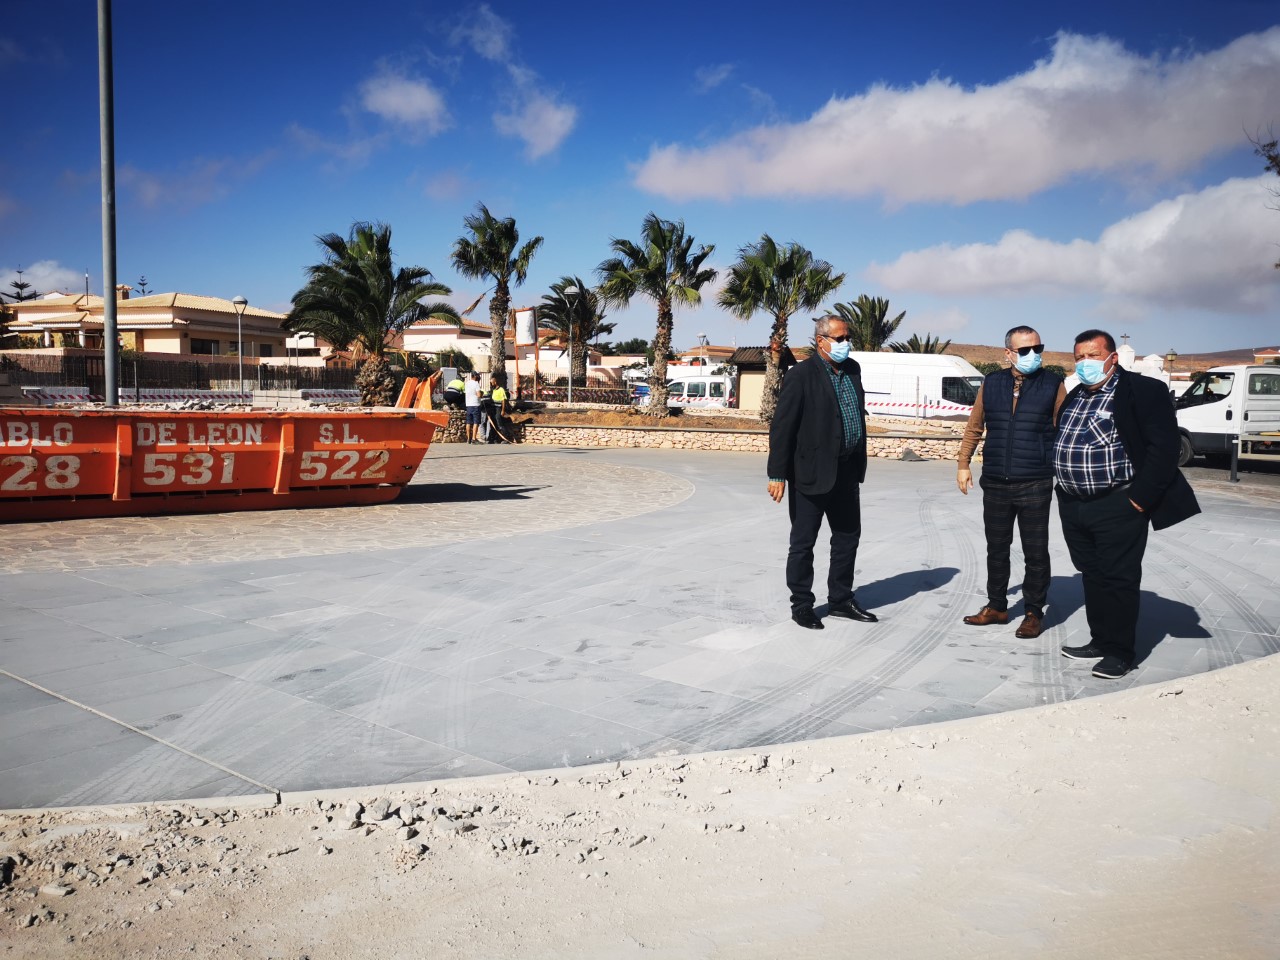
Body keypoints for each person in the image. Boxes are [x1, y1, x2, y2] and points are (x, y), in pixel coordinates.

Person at [1052, 329, 1201, 679]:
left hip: (1119, 503)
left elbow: (1164, 449)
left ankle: (1120, 651)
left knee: (1118, 577)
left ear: (1112, 357)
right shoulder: (1076, 395)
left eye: (1091, 355)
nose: (1084, 363)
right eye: (1078, 357)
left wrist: (1140, 499)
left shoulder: (1142, 390)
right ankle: (1100, 640)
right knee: (1093, 574)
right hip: (1074, 503)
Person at [956, 326, 1066, 639]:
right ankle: (997, 606)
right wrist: (963, 464)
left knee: (1035, 551)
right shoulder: (991, 383)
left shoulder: (1053, 384)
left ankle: (1033, 611)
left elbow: (1066, 430)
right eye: (1025, 350)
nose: (1033, 355)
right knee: (997, 548)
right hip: (995, 482)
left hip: (1034, 481)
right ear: (1008, 354)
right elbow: (974, 426)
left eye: (1037, 348)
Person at [767, 315, 876, 630]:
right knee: (803, 544)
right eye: (839, 338)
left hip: (846, 470)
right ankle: (801, 605)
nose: (845, 343)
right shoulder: (801, 375)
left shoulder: (852, 369)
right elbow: (782, 428)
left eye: (846, 337)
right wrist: (776, 474)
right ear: (821, 341)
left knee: (847, 539)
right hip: (810, 474)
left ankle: (841, 600)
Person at [464, 372, 483, 444]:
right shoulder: (476, 384)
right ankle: (474, 439)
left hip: (468, 405)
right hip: (476, 404)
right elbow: (478, 395)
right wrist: (481, 395)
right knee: (476, 422)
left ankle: (468, 439)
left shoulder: (467, 383)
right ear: (475, 376)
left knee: (468, 422)